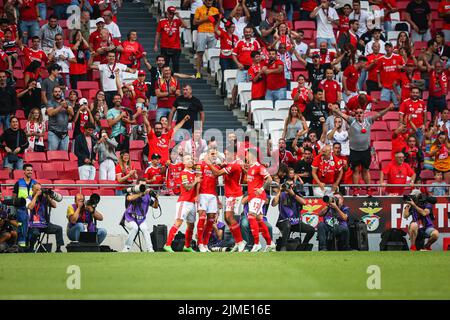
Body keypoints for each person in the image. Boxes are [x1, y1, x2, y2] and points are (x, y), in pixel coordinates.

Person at [332, 103, 393, 195]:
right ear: (355, 115)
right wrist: (336, 110)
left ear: (364, 113)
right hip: (354, 151)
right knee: (355, 170)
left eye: (361, 113)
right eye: (357, 113)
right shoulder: (351, 121)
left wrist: (388, 108)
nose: (359, 114)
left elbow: (379, 114)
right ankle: (356, 190)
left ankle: (368, 189)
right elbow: (342, 115)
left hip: (365, 151)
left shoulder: (368, 120)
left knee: (366, 170)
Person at [164, 154, 202, 253]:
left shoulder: (194, 173)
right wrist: (195, 181)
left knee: (191, 225)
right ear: (184, 162)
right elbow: (187, 187)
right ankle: (167, 244)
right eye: (187, 159)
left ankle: (187, 245)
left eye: (191, 159)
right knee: (178, 222)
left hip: (192, 202)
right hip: (183, 202)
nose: (190, 161)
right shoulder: (183, 173)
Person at [244, 148, 275, 252]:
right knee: (259, 220)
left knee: (251, 216)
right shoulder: (251, 167)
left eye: (247, 154)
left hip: (258, 197)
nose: (245, 156)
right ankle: (270, 244)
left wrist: (261, 189)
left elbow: (269, 179)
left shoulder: (258, 166)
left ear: (252, 155)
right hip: (252, 197)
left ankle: (256, 244)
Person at [271, 178, 315, 251]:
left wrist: (293, 194)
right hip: (283, 221)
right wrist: (279, 191)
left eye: (291, 185)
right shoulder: (282, 194)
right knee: (287, 225)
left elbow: (304, 202)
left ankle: (303, 246)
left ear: (293, 185)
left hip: (296, 222)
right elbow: (273, 204)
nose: (289, 186)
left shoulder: (296, 193)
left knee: (311, 230)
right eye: (288, 185)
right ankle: (283, 247)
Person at [122, 179, 159, 252]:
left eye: (144, 185)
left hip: (141, 219)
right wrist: (141, 194)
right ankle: (126, 248)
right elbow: (129, 198)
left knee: (145, 229)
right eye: (141, 185)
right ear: (137, 185)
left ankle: (150, 249)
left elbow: (155, 206)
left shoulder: (148, 195)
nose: (143, 187)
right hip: (130, 217)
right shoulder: (132, 192)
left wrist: (156, 199)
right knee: (134, 228)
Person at [26, 183, 64, 252]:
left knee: (59, 229)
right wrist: (36, 196)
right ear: (32, 190)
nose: (39, 191)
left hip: (44, 224)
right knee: (35, 233)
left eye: (39, 189)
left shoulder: (43, 198)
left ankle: (58, 249)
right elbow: (30, 207)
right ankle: (31, 248)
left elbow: (54, 205)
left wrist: (48, 198)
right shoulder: (29, 198)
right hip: (33, 224)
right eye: (36, 190)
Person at [155, 6, 187, 73]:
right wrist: (155, 45)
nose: (171, 15)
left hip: (176, 47)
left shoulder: (177, 21)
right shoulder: (162, 22)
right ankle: (163, 80)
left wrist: (179, 16)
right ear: (167, 13)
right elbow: (158, 34)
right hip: (164, 46)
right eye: (170, 13)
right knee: (164, 65)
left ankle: (175, 81)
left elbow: (186, 25)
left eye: (172, 14)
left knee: (176, 65)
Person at [12, 163, 37, 247]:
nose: (30, 172)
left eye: (31, 170)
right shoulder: (18, 183)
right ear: (24, 171)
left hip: (32, 209)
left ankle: (29, 245)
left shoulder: (35, 183)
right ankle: (21, 246)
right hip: (21, 209)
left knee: (31, 227)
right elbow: (14, 198)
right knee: (22, 226)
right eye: (28, 170)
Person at [194, 0, 219, 79]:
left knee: (212, 53)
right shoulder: (199, 9)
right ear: (204, 1)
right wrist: (206, 19)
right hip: (202, 31)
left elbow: (217, 21)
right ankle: (198, 72)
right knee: (200, 53)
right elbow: (195, 22)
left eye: (210, 0)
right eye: (208, 0)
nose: (209, 2)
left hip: (212, 32)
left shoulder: (215, 10)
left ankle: (212, 73)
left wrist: (215, 29)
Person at [46, 86, 74, 151]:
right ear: (52, 93)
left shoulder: (67, 102)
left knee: (64, 156)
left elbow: (72, 113)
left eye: (59, 91)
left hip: (65, 133)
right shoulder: (50, 102)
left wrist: (66, 107)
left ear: (61, 92)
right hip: (53, 132)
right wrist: (61, 106)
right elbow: (50, 113)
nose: (57, 93)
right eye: (55, 92)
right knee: (53, 156)